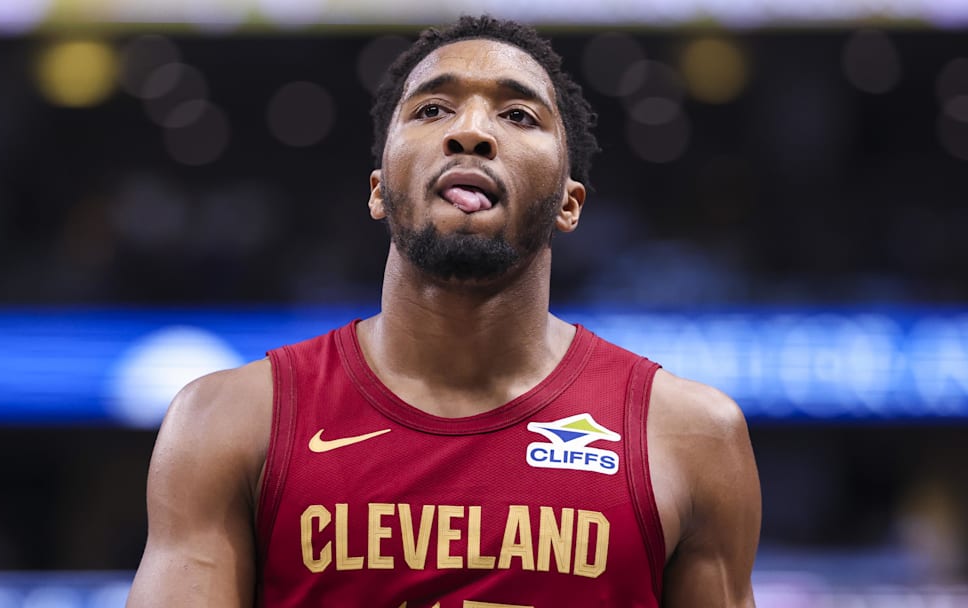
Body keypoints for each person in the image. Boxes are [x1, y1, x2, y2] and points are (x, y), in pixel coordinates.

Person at [126, 15, 760, 608]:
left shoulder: (690, 435)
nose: (472, 132)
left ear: (570, 204)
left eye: (518, 115)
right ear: (379, 189)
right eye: (432, 109)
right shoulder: (228, 420)